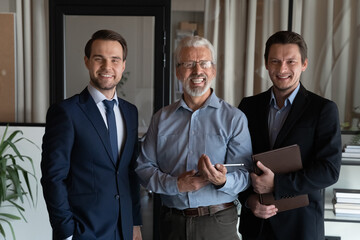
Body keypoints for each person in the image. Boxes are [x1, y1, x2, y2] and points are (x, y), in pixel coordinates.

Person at [135, 35, 253, 240]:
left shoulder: (234, 118)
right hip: (171, 223)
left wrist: (223, 180)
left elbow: (245, 175)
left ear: (213, 70)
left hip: (218, 222)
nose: (198, 71)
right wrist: (176, 185)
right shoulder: (161, 118)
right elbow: (143, 168)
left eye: (205, 63)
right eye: (189, 64)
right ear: (178, 71)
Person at [238, 31, 342, 240]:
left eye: (291, 61)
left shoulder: (323, 109)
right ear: (266, 64)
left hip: (300, 227)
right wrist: (248, 200)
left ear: (304, 64)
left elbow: (329, 170)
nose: (282, 69)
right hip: (256, 226)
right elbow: (238, 162)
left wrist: (277, 183)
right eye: (275, 61)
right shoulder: (248, 107)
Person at [41, 29, 142, 240]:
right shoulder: (66, 112)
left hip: (124, 231)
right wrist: (66, 232)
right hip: (83, 232)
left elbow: (129, 173)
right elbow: (53, 178)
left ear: (123, 65)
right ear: (87, 61)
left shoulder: (130, 112)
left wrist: (134, 223)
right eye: (99, 59)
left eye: (115, 60)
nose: (107, 67)